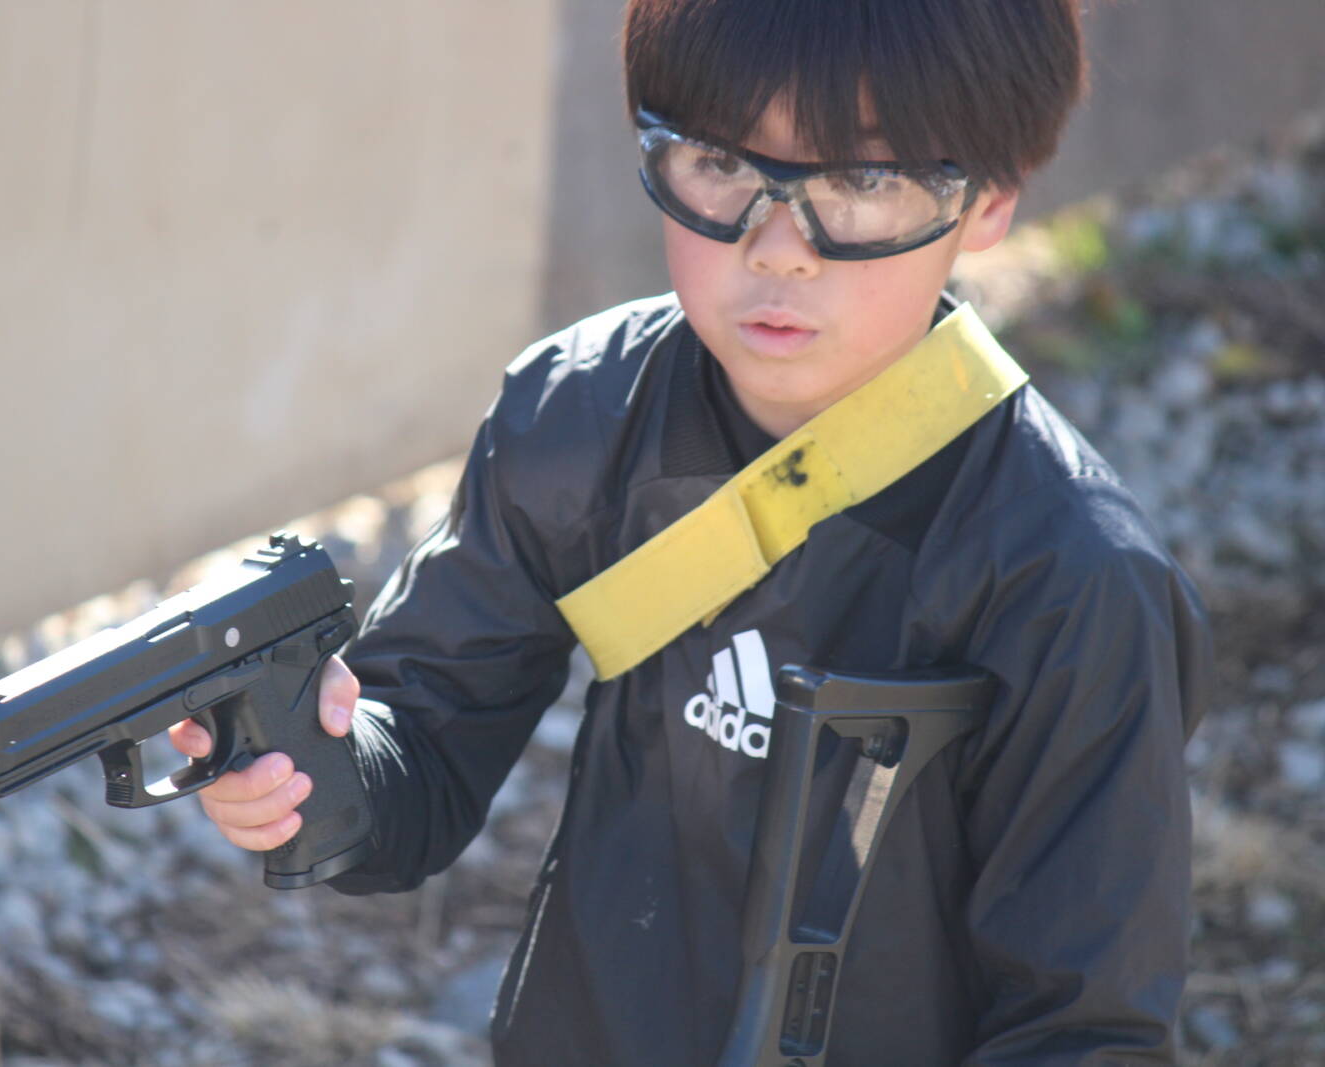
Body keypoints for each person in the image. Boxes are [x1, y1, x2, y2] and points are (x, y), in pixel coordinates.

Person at [172, 0, 1211, 1061]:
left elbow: (1084, 1024)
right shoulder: (582, 415)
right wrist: (305, 766)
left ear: (988, 200)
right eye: (720, 163)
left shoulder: (1070, 577)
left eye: (861, 182)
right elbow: (419, 754)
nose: (779, 249)